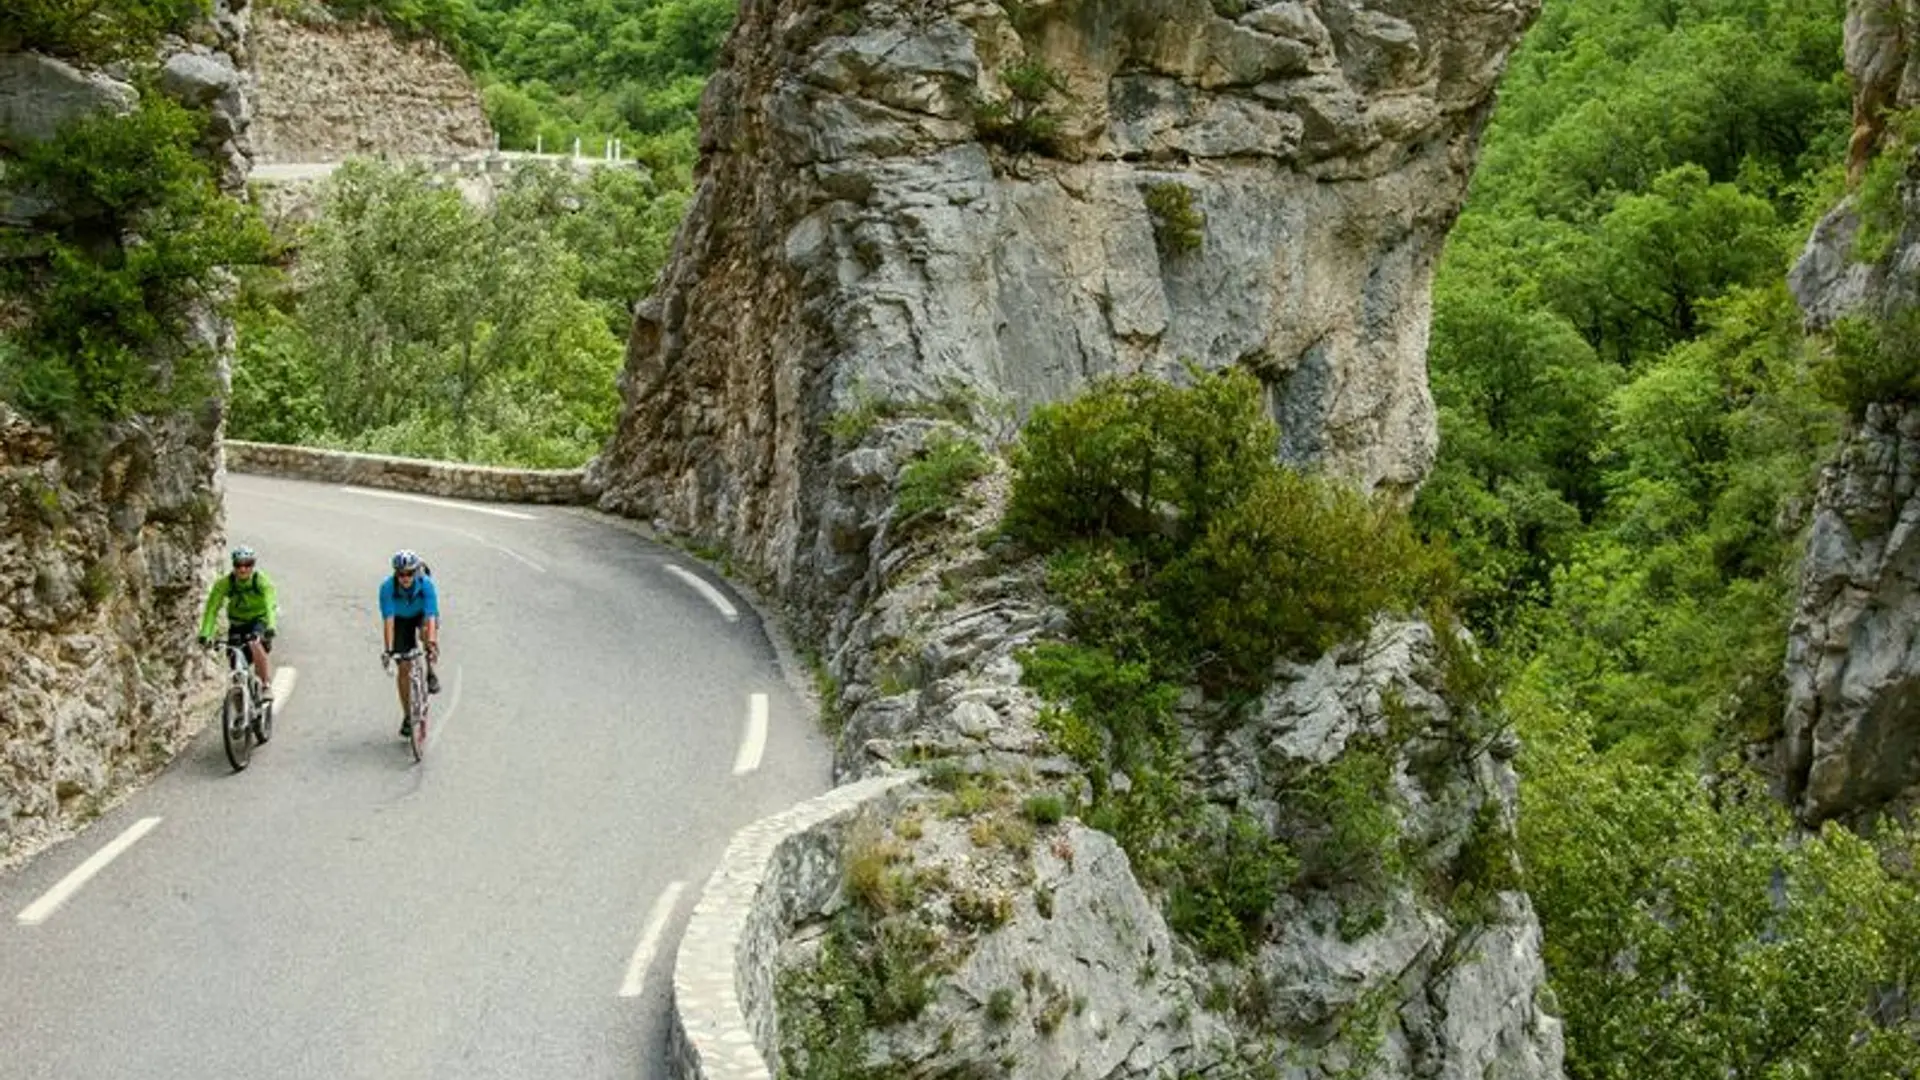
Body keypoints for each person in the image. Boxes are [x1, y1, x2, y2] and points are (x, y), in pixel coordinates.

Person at [197, 545, 278, 700]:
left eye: (247, 564)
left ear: (253, 565)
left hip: (258, 621)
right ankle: (238, 705)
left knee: (254, 643)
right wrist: (205, 633)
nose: (243, 569)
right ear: (233, 565)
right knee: (235, 659)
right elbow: (212, 609)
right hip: (237, 623)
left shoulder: (261, 582)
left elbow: (270, 605)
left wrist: (271, 627)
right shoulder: (225, 584)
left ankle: (265, 685)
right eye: (238, 565)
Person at [379, 549, 441, 738]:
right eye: (401, 574)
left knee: (426, 635)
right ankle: (408, 716)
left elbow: (431, 616)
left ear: (416, 573)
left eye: (409, 574)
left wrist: (431, 643)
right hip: (400, 620)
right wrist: (389, 650)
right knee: (404, 668)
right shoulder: (387, 588)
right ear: (395, 573)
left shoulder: (426, 585)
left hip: (422, 616)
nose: (405, 578)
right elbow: (388, 620)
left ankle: (430, 671)